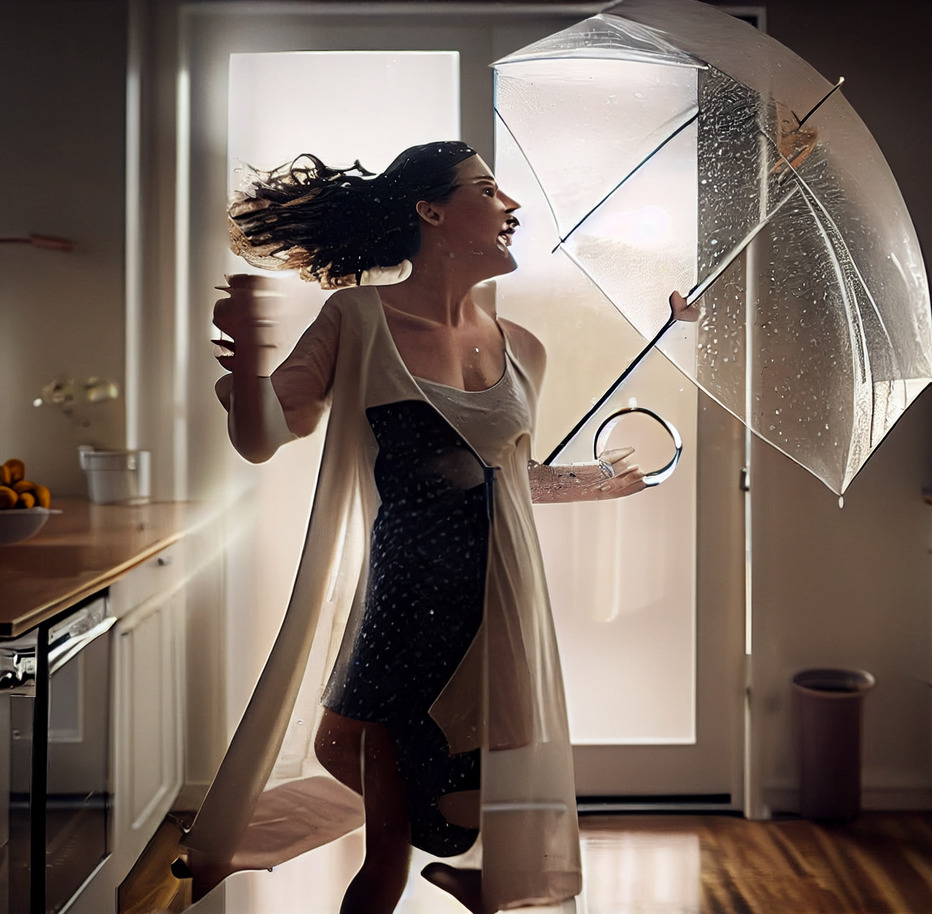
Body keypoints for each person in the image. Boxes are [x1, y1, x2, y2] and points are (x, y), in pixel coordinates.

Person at [197, 141, 699, 914]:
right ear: (430, 210)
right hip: (405, 603)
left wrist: (593, 483)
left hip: (495, 605)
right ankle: (479, 879)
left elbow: (498, 480)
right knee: (350, 751)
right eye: (489, 190)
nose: (511, 207)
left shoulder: (523, 347)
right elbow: (264, 437)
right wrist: (255, 354)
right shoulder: (358, 318)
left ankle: (483, 880)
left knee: (433, 804)